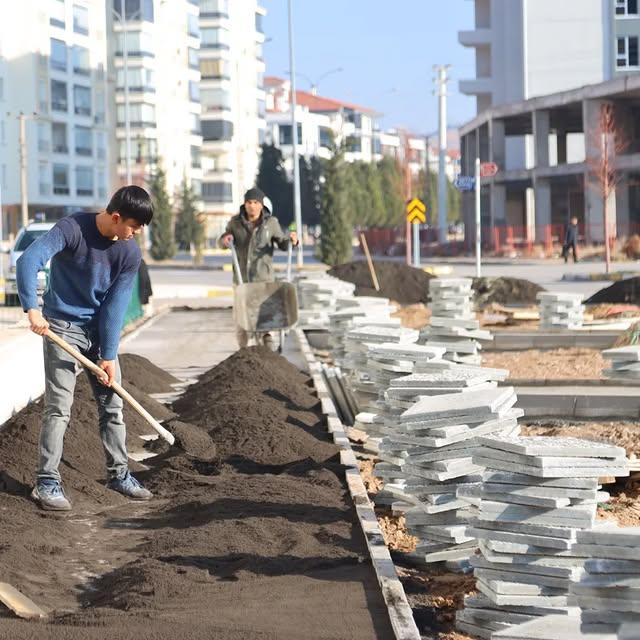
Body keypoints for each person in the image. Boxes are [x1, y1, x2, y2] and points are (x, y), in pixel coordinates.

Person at [16, 186, 154, 511]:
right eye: (133, 226)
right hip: (62, 327)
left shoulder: (129, 253)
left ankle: (119, 475)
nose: (135, 234)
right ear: (117, 217)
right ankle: (46, 482)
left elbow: (116, 306)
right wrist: (32, 309)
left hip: (98, 333)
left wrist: (108, 356)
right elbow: (29, 260)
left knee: (112, 406)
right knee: (59, 408)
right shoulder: (72, 229)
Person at [219, 187, 298, 350]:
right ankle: (243, 352)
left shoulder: (271, 223)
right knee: (242, 321)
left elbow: (283, 243)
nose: (252, 206)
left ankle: (268, 349)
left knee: (264, 319)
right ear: (244, 204)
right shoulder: (235, 223)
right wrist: (225, 240)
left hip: (264, 281)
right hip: (242, 281)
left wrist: (292, 240)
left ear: (261, 205)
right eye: (249, 202)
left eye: (255, 202)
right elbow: (223, 240)